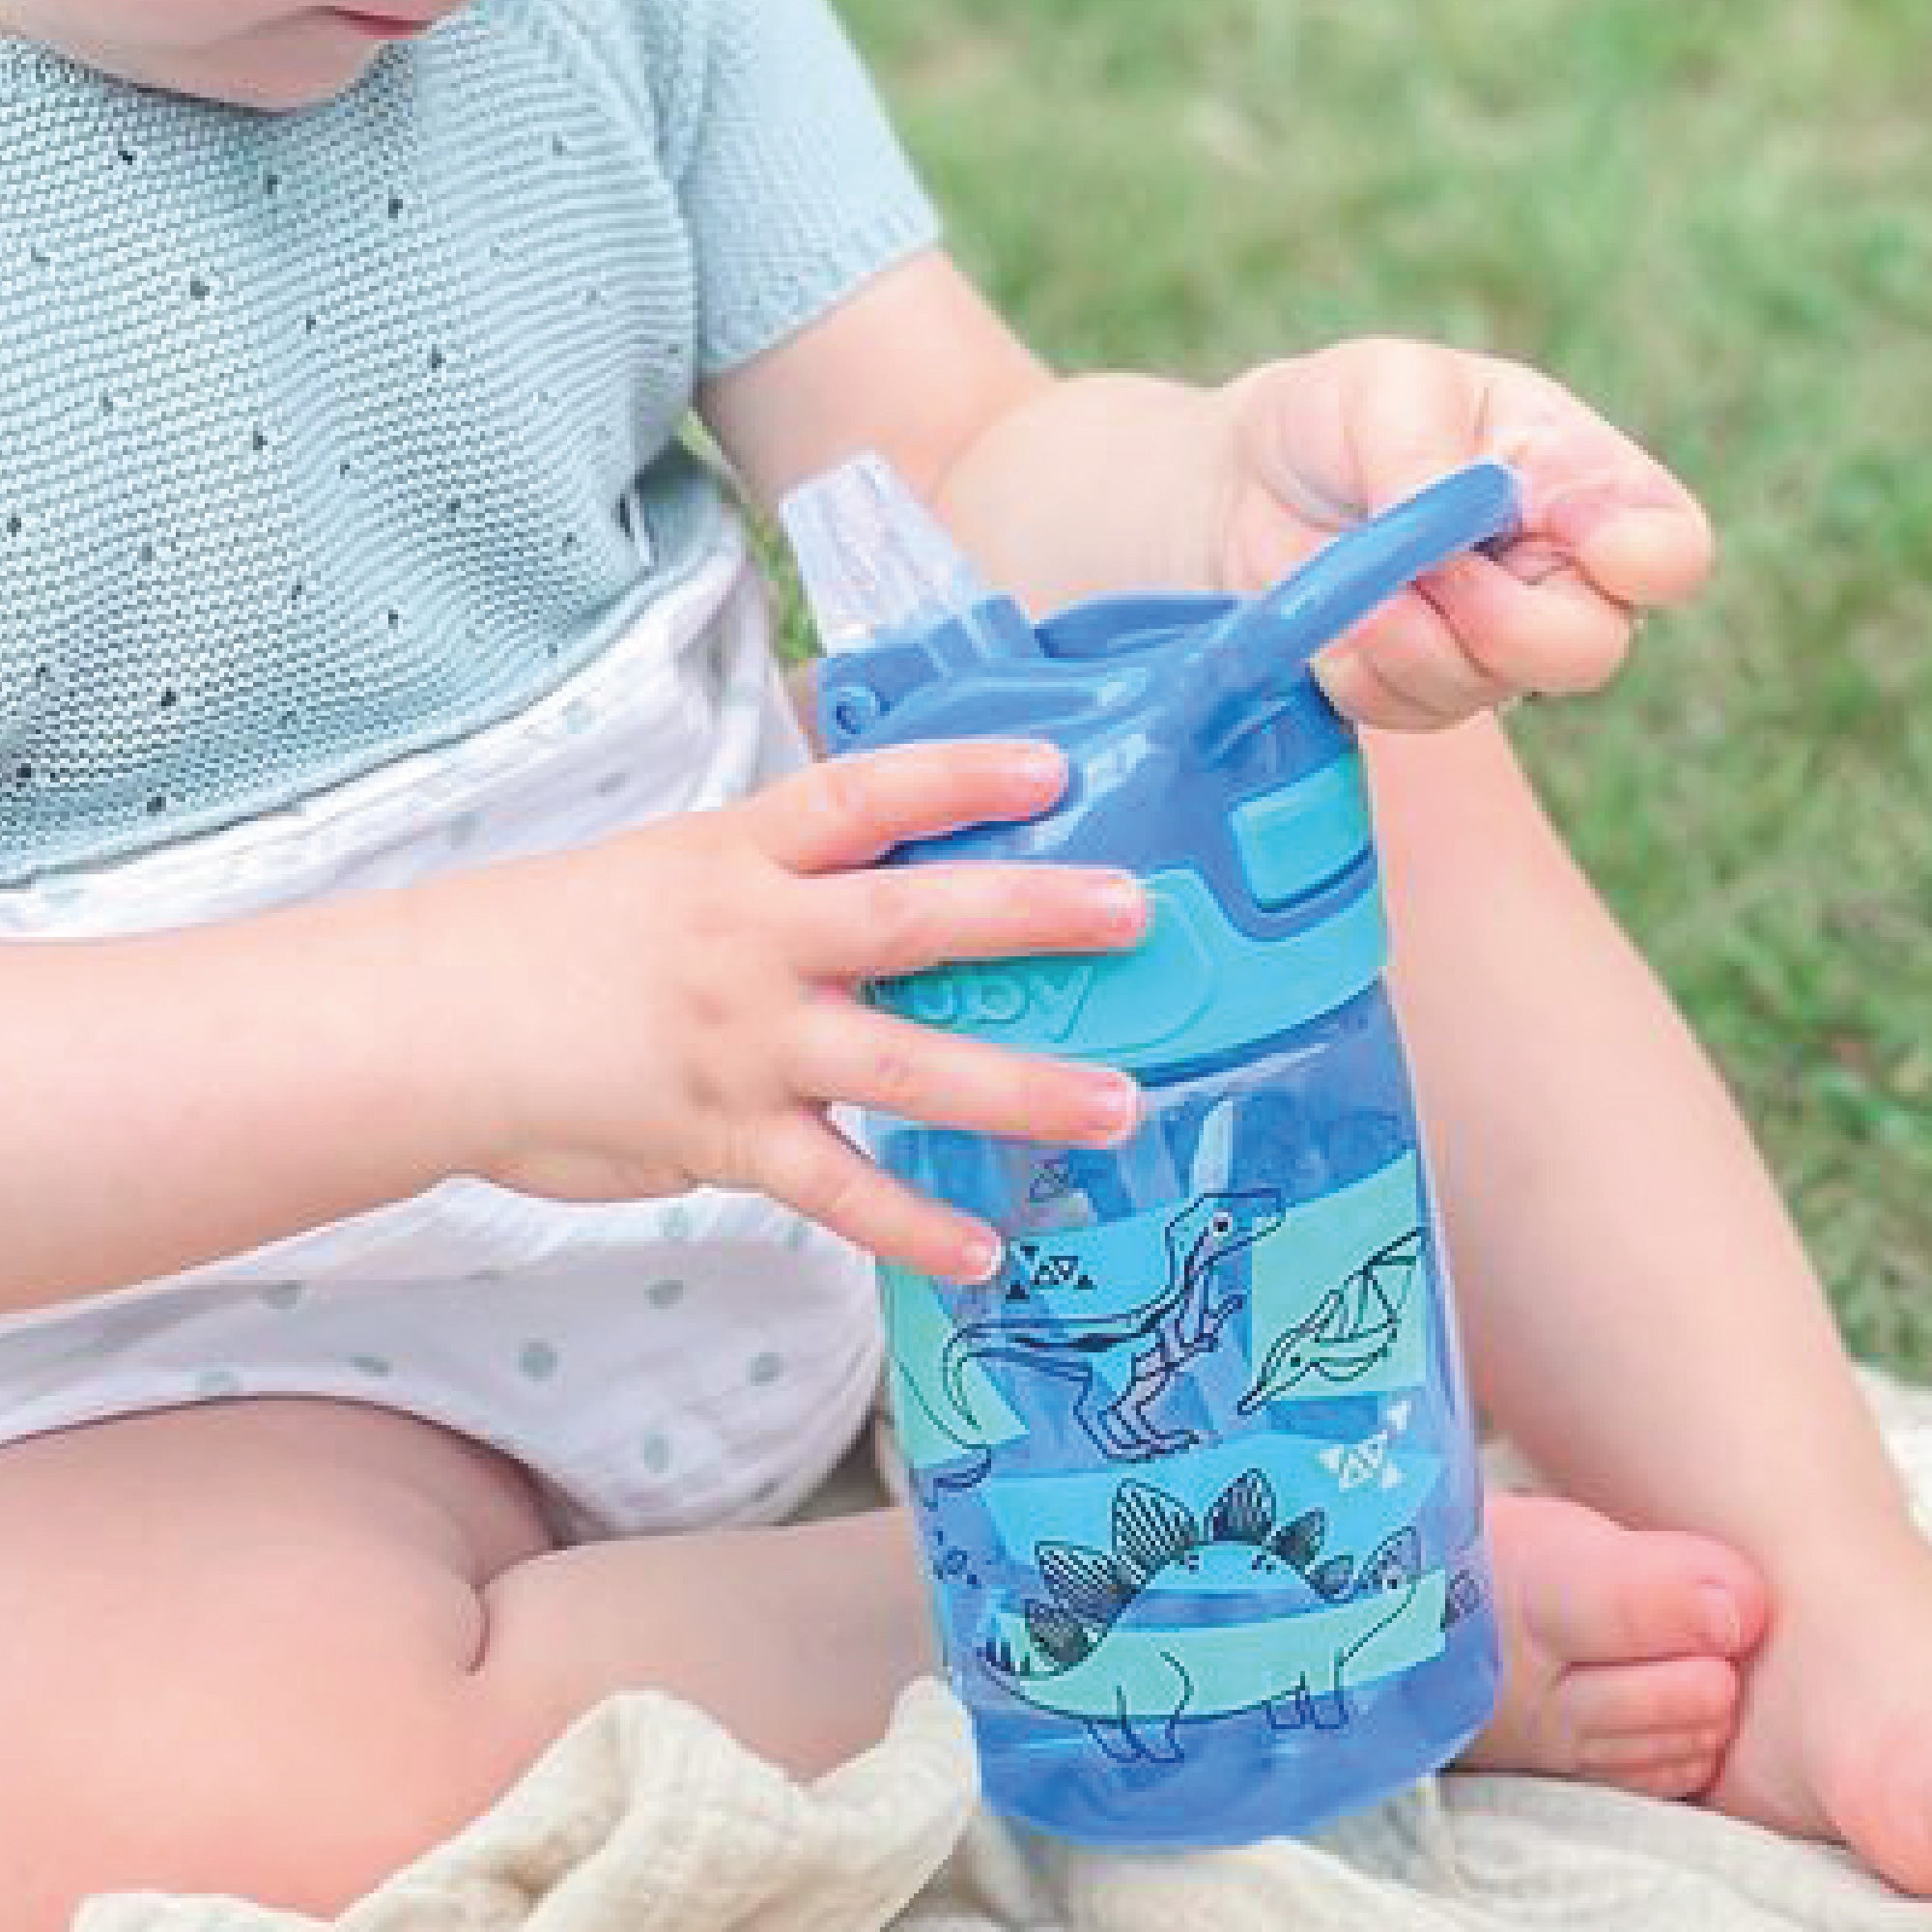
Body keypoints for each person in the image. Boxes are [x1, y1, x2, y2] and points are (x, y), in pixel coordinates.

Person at [0, 1, 1923, 1921]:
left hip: (862, 1113)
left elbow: (948, 463)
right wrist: (475, 1020)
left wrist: (1222, 495)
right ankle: (1212, 1609)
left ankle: (1828, 1593)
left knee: (1266, 707)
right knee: (143, 1746)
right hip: (163, 1369)